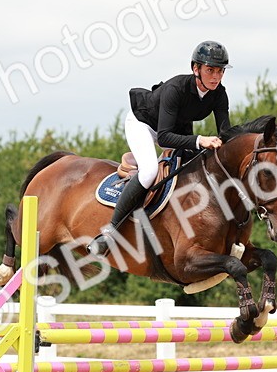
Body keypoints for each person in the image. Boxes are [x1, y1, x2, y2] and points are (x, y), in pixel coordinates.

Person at [87, 40, 234, 257]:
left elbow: (226, 134)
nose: (216, 76)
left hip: (176, 128)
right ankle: (110, 232)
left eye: (220, 71)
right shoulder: (176, 88)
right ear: (196, 69)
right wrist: (200, 140)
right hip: (144, 124)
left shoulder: (219, 93)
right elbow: (164, 138)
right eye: (210, 70)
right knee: (149, 171)